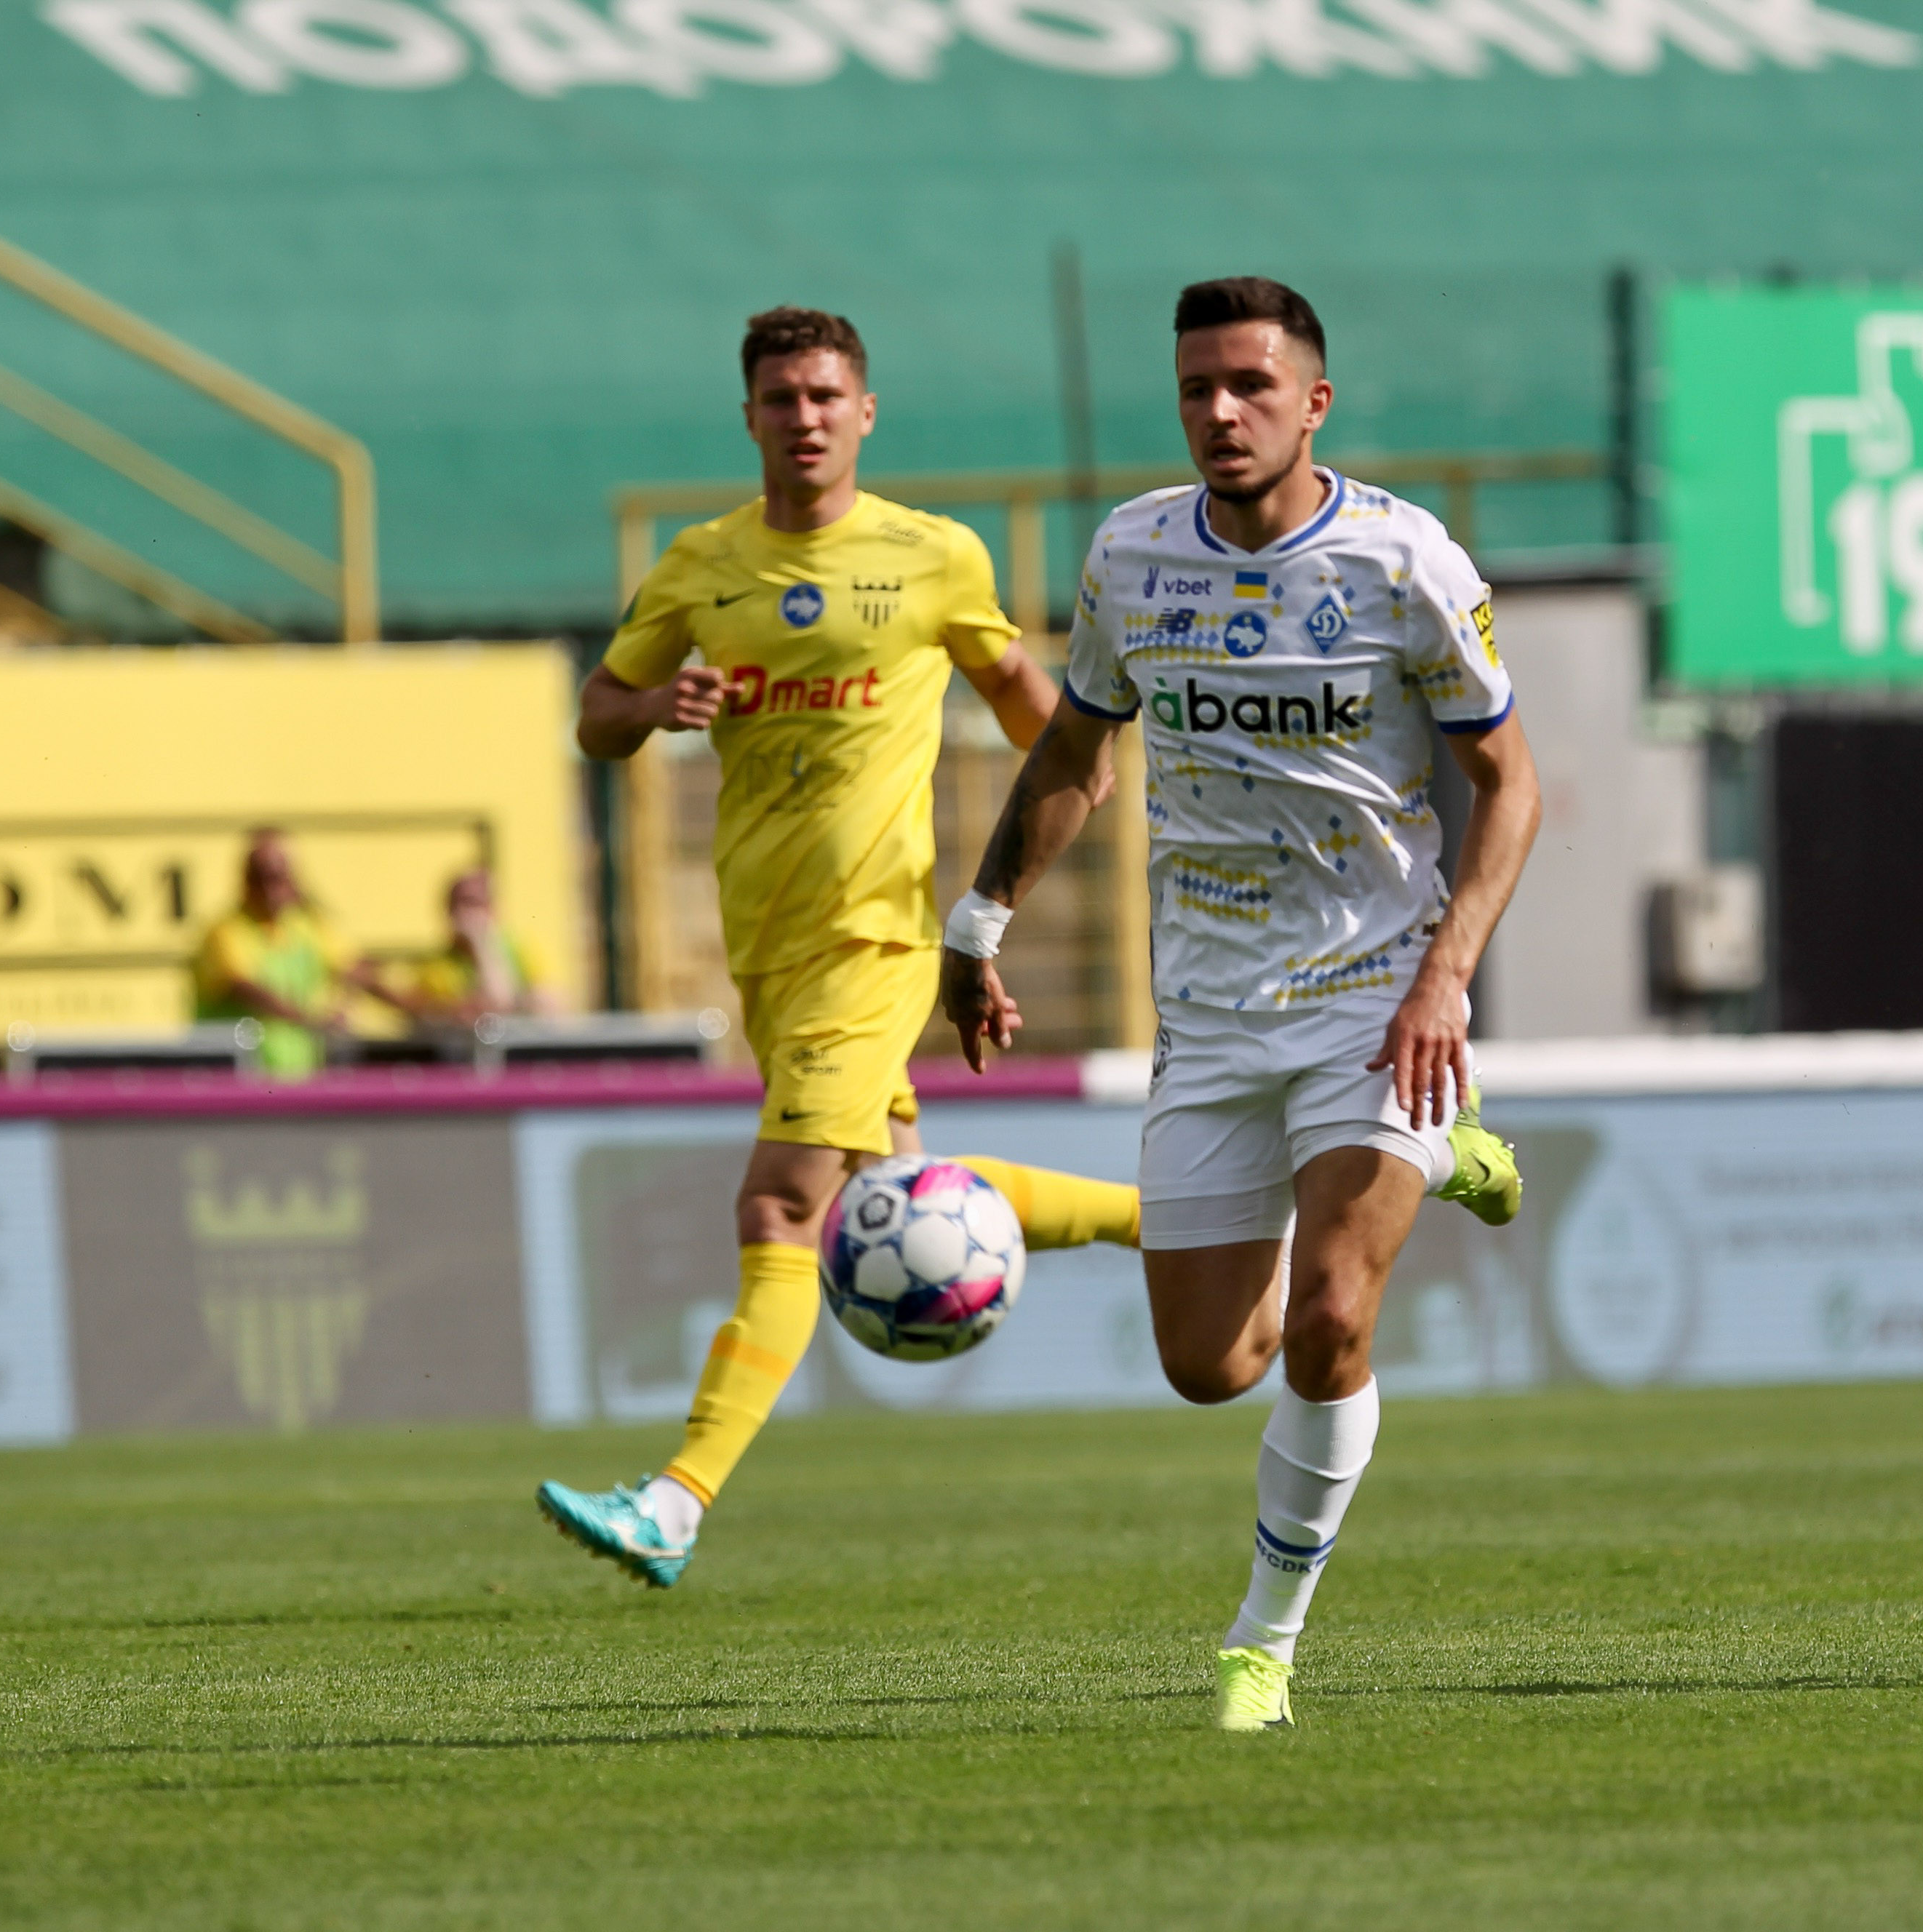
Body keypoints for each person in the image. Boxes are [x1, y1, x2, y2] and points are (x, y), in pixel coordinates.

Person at [940, 276, 1536, 1728]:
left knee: (1331, 1313)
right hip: (1210, 1012)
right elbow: (1075, 753)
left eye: (1250, 386)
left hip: (1375, 998)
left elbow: (1510, 783)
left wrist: (1446, 972)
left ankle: (1261, 1644)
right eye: (1197, 387)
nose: (1220, 411)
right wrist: (979, 919)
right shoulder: (1132, 556)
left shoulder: (1403, 560)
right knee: (1211, 1366)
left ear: (1313, 403)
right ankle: (1444, 1159)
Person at [536, 306, 1142, 1588]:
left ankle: (677, 1502)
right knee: (897, 1190)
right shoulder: (701, 564)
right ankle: (1196, 1223)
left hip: (875, 936)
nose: (803, 418)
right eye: (780, 398)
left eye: (824, 397)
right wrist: (653, 703)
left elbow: (1038, 712)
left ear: (865, 413)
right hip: (765, 944)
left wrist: (1069, 803)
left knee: (780, 1205)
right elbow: (595, 716)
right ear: (748, 417)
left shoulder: (931, 557)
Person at [193, 828, 399, 1079]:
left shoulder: (307, 928)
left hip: (300, 1073)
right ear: (245, 879)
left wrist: (345, 1003)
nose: (269, 890)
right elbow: (244, 989)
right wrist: (312, 1020)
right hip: (240, 1078)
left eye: (277, 878)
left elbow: (359, 967)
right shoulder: (225, 930)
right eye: (259, 878)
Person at [396, 867, 549, 1026]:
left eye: (472, 903)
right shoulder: (436, 965)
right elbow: (420, 1011)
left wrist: (481, 946)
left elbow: (540, 1001)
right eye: (456, 904)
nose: (462, 912)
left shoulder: (518, 949)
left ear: (491, 908)